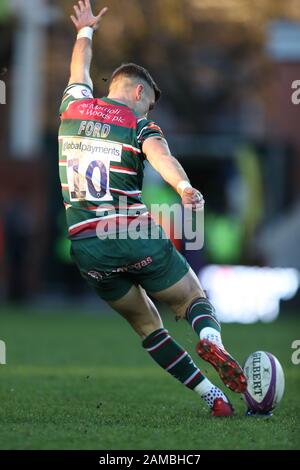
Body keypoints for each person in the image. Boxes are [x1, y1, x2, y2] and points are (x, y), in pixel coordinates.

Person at [59, 0, 247, 417]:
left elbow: (79, 69)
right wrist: (183, 185)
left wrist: (84, 30)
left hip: (86, 248)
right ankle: (213, 343)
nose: (151, 112)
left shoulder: (72, 107)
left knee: (147, 326)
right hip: (130, 233)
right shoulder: (138, 122)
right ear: (139, 93)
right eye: (151, 104)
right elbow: (161, 155)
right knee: (191, 297)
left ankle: (212, 398)